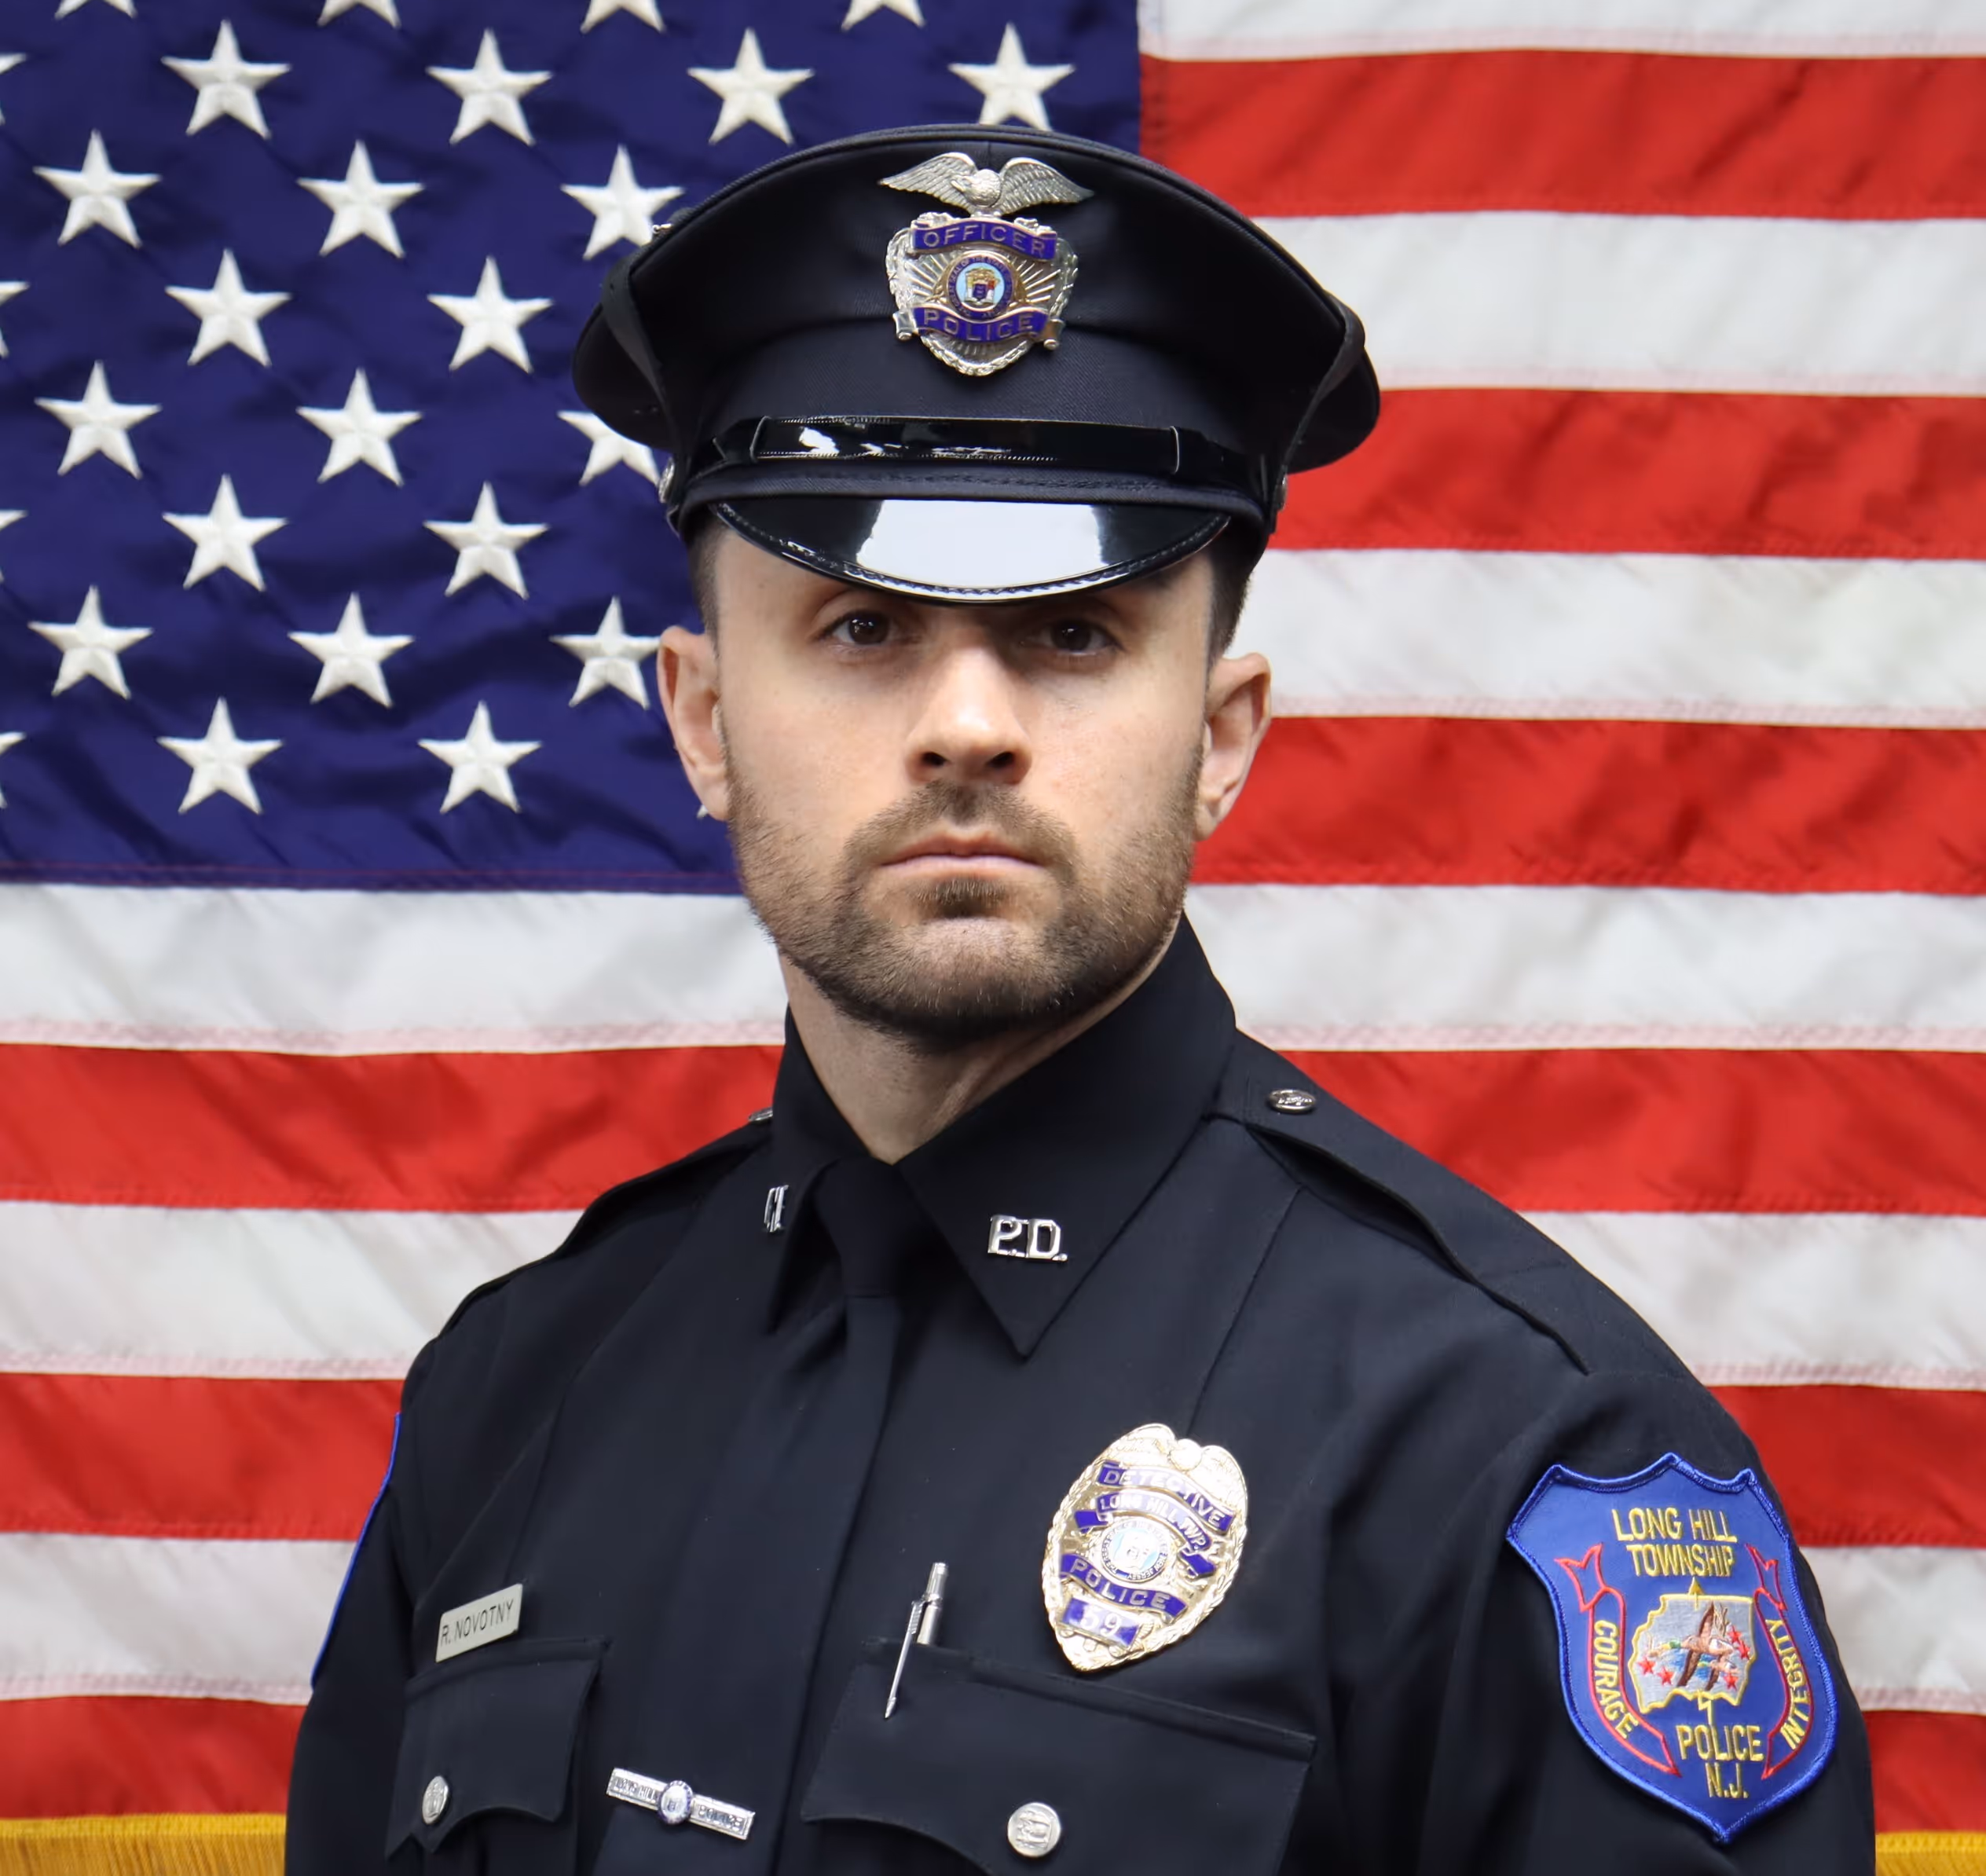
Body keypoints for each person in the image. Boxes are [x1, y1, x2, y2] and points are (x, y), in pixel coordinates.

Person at [288, 124, 1874, 1874]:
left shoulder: (1507, 1442)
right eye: (861, 628)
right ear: (703, 721)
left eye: (1075, 633)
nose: (968, 723)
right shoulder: (524, 1389)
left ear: (1219, 736)